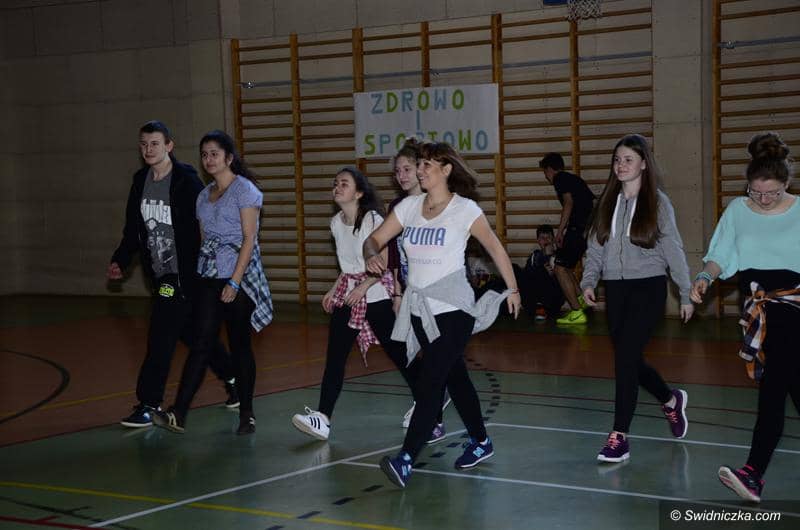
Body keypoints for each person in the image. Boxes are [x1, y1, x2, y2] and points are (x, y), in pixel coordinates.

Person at [363, 141, 521, 488]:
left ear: (446, 170)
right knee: (455, 378)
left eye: (427, 166)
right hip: (421, 312)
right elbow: (373, 240)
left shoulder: (464, 210)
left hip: (454, 309)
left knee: (431, 381)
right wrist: (371, 254)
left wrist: (513, 289)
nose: (420, 171)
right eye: (418, 164)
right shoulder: (409, 207)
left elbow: (495, 248)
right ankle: (481, 441)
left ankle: (406, 459)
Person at [290, 167, 442, 441]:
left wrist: (363, 287)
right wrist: (334, 289)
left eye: (344, 183)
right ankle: (322, 418)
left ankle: (430, 399)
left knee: (399, 354)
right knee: (335, 357)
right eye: (335, 183)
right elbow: (348, 266)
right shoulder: (336, 223)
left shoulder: (373, 220)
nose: (337, 187)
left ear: (359, 192)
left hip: (375, 293)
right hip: (349, 294)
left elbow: (382, 262)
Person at [690, 132, 799, 503]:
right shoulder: (738, 210)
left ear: (786, 184)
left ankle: (753, 473)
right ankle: (753, 473)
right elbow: (720, 253)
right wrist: (705, 277)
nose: (763, 200)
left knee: (773, 388)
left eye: (772, 193)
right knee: (792, 386)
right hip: (758, 311)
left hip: (793, 308)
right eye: (756, 192)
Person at [108, 120, 237, 428]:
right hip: (159, 273)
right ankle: (234, 378)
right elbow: (133, 228)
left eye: (155, 143)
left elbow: (206, 224)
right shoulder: (140, 181)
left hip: (184, 275)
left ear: (169, 146)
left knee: (160, 335)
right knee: (193, 333)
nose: (148, 149)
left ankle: (148, 403)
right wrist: (121, 259)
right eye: (143, 144)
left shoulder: (185, 181)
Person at [580, 134, 694, 463]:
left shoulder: (657, 203)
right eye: (617, 160)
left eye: (628, 159)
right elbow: (595, 247)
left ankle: (619, 436)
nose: (621, 165)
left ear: (644, 163)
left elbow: (673, 248)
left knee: (625, 358)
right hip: (615, 289)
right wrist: (589, 280)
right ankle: (670, 400)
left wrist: (685, 292)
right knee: (629, 359)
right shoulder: (606, 202)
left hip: (648, 287)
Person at [153, 130, 273, 435]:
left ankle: (247, 413)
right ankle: (179, 412)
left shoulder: (244, 190)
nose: (208, 159)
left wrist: (234, 282)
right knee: (202, 342)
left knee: (240, 344)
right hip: (210, 275)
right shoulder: (203, 196)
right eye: (204, 154)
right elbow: (205, 239)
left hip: (239, 277)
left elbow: (249, 239)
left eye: (214, 154)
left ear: (228, 158)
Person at [387, 139, 451, 433]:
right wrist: (397, 292)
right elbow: (394, 254)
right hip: (410, 290)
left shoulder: (437, 205)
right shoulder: (397, 207)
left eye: (407, 169)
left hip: (438, 291)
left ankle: (431, 415)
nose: (401, 175)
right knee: (415, 351)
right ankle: (431, 405)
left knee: (437, 355)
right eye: (397, 171)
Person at [539, 152, 594, 324]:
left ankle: (576, 311)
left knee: (559, 268)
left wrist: (560, 231)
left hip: (578, 229)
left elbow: (568, 203)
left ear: (550, 169)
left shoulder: (560, 179)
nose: (546, 176)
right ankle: (582, 301)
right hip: (586, 230)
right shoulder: (573, 179)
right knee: (566, 266)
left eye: (545, 172)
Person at [513, 224, 565, 320]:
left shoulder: (559, 255)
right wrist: (544, 257)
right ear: (538, 240)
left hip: (553, 300)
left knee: (548, 273)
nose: (545, 240)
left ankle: (542, 307)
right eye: (542, 238)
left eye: (548, 237)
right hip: (533, 302)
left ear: (553, 239)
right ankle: (537, 306)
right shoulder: (535, 255)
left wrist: (551, 267)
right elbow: (528, 275)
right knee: (515, 269)